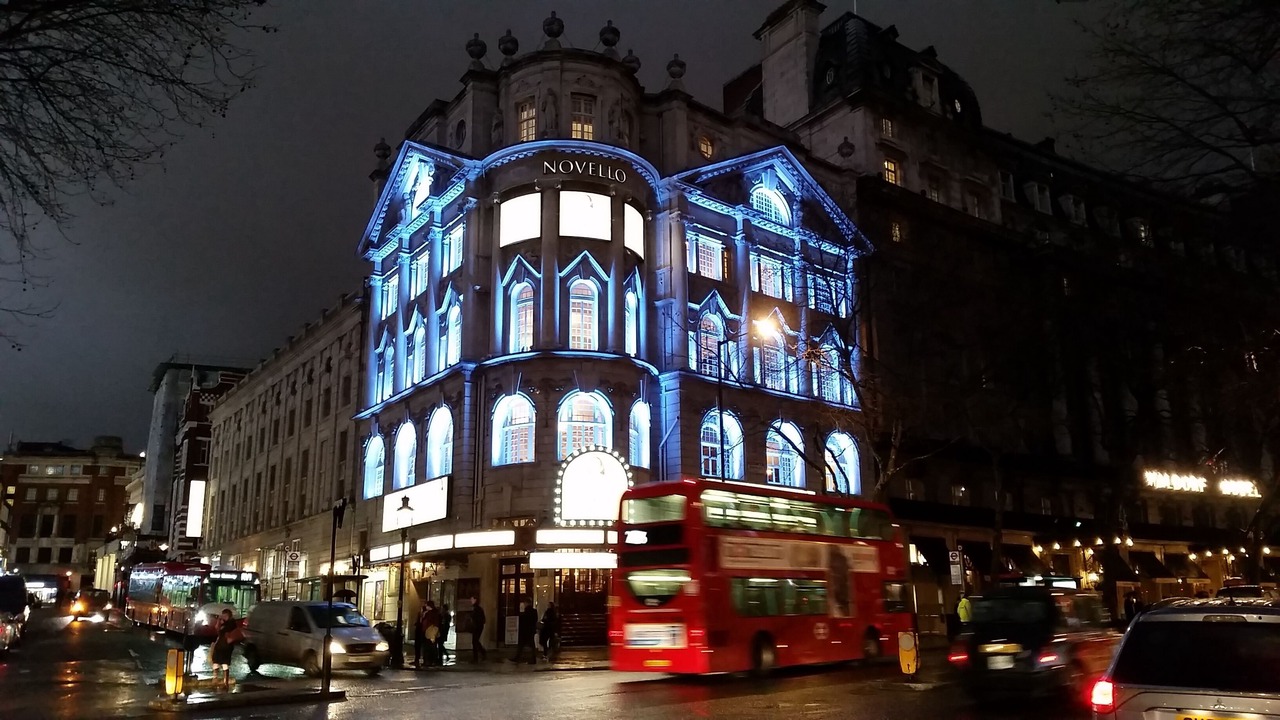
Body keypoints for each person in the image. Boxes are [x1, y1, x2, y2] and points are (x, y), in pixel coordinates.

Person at [210, 609, 242, 689]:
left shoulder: (231, 624)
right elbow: (217, 630)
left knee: (224, 663)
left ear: (228, 616)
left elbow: (228, 633)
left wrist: (222, 626)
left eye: (224, 615)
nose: (222, 617)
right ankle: (215, 678)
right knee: (216, 661)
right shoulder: (223, 622)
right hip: (220, 644)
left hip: (226, 646)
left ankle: (225, 682)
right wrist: (219, 621)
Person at [511, 598, 538, 664]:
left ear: (527, 603)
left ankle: (518, 658)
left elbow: (524, 621)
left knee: (522, 644)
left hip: (526, 630)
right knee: (530, 644)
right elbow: (535, 620)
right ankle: (532, 659)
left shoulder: (526, 611)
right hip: (531, 630)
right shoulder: (534, 611)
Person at [421, 600, 442, 667]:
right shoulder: (429, 613)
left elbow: (436, 625)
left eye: (426, 605)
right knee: (428, 648)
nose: (425, 606)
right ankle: (429, 661)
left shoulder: (433, 614)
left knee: (431, 648)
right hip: (428, 632)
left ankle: (431, 661)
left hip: (431, 633)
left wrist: (433, 635)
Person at [469, 595, 487, 663]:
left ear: (475, 600)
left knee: (475, 641)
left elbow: (480, 619)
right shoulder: (476, 608)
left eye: (472, 599)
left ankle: (476, 657)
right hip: (477, 627)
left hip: (477, 627)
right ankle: (482, 653)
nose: (471, 601)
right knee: (475, 641)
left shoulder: (477, 609)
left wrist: (476, 624)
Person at [413, 604, 430, 668]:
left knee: (423, 647)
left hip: (422, 633)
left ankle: (424, 660)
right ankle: (417, 659)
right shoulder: (420, 615)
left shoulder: (425, 615)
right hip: (419, 633)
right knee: (418, 647)